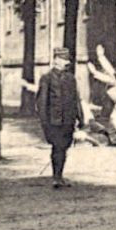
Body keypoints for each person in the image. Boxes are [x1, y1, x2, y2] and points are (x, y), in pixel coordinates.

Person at [38, 47, 83, 189]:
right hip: (53, 120)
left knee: (64, 147)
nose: (66, 62)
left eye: (67, 59)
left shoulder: (71, 78)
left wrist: (80, 118)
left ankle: (59, 175)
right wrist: (44, 122)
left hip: (68, 120)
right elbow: (42, 101)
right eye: (64, 59)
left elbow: (76, 99)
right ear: (56, 60)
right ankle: (56, 177)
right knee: (57, 147)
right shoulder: (47, 78)